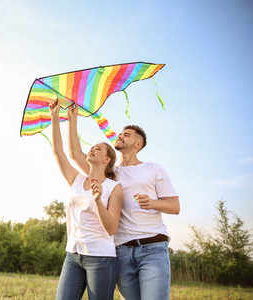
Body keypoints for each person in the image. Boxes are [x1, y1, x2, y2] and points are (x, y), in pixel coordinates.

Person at [67, 103, 180, 300]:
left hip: (152, 248)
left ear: (138, 144)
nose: (120, 136)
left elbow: (175, 206)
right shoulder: (109, 173)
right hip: (120, 252)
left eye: (126, 134)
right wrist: (73, 119)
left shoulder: (153, 169)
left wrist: (153, 203)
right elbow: (76, 155)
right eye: (120, 133)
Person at [49, 100, 124, 300]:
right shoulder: (76, 179)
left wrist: (98, 201)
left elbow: (111, 229)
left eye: (98, 149)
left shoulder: (113, 188)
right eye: (92, 147)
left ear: (107, 160)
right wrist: (56, 117)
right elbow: (59, 152)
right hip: (73, 254)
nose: (92, 149)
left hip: (101, 258)